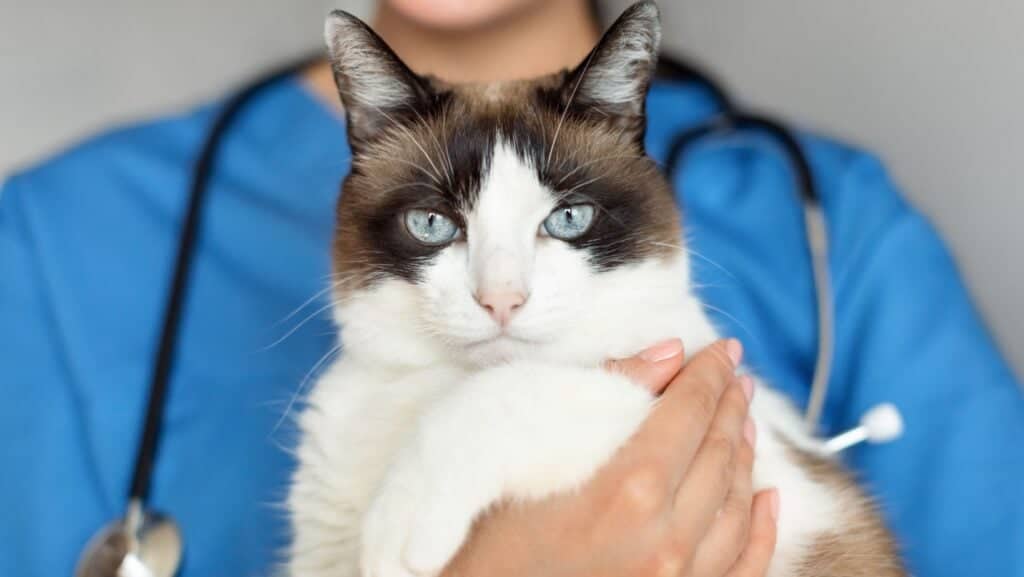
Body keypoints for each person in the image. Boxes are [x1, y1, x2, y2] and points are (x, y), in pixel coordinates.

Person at [0, 0, 1020, 576]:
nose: (501, 293)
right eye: (436, 226)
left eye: (561, 224)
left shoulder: (838, 224)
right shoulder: (55, 239)